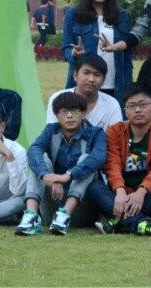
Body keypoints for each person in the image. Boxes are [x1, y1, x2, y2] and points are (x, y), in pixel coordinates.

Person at [85, 85, 151, 237]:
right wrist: (120, 191)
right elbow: (112, 164)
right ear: (125, 111)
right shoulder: (114, 131)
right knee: (94, 186)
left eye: (143, 105)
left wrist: (141, 192)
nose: (137, 110)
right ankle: (141, 223)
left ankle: (118, 220)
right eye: (132, 106)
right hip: (122, 194)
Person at [16, 92, 107, 236]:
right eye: (64, 112)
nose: (69, 116)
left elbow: (99, 158)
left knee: (87, 160)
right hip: (53, 204)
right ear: (57, 116)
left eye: (74, 111)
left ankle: (65, 215)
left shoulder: (96, 133)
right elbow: (34, 150)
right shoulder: (51, 130)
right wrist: (48, 177)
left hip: (83, 207)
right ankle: (31, 217)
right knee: (40, 161)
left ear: (83, 114)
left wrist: (67, 176)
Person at [61, 0, 133, 103]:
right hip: (84, 87)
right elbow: (65, 47)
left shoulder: (122, 15)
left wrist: (128, 86)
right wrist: (74, 54)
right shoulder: (73, 14)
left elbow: (127, 55)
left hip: (116, 87)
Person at [46, 54, 122, 129]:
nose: (91, 79)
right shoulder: (58, 99)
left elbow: (116, 135)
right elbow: (51, 133)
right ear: (75, 75)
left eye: (97, 75)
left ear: (103, 80)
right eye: (86, 73)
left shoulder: (112, 105)